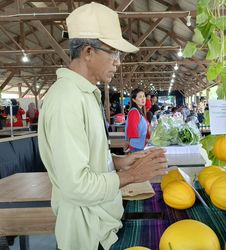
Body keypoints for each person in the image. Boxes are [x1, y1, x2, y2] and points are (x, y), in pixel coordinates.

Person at [38, 3, 167, 250]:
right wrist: (133, 176)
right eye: (114, 52)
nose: (118, 62)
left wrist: (119, 161)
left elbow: (87, 158)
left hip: (102, 224)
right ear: (88, 51)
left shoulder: (85, 94)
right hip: (88, 233)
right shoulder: (67, 99)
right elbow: (76, 185)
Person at [125, 88, 150, 153]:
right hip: (136, 146)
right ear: (134, 100)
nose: (143, 98)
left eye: (144, 96)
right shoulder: (134, 111)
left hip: (140, 145)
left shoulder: (139, 112)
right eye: (140, 97)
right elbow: (132, 130)